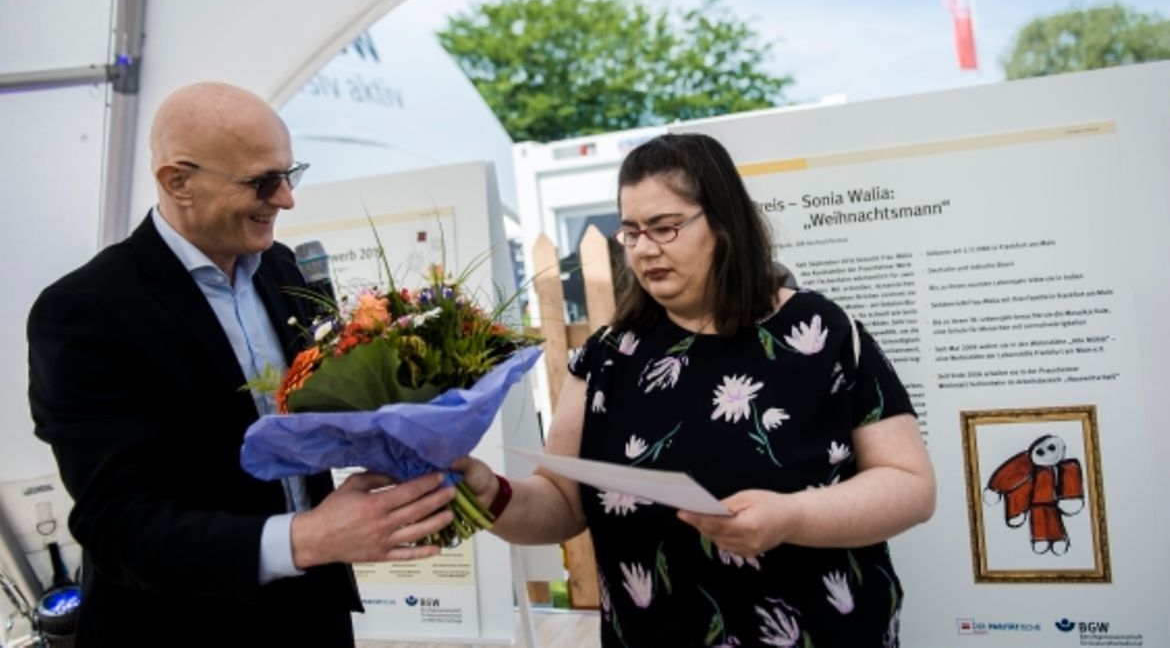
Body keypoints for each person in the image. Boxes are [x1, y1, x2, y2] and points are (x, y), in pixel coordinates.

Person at [456, 133, 936, 647]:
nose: (644, 249)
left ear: (724, 222)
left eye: (664, 228)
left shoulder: (820, 333)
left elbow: (911, 486)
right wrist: (493, 496)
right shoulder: (608, 357)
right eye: (631, 232)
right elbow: (559, 503)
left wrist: (791, 517)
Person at [27, 81, 456, 646]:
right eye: (262, 181)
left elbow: (306, 421)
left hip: (314, 616)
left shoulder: (280, 268)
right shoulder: (84, 311)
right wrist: (307, 538)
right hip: (181, 628)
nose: (286, 199)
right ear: (177, 182)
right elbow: (118, 527)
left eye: (289, 173)